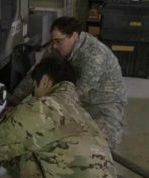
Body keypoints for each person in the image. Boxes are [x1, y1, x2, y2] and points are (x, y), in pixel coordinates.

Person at [0, 55, 122, 178]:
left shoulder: (41, 108)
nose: (34, 95)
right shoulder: (83, 115)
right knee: (26, 155)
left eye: (35, 89)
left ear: (44, 81)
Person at [10, 16, 127, 149]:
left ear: (74, 36)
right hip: (78, 100)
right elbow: (37, 74)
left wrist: (45, 109)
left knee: (98, 145)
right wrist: (14, 101)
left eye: (58, 41)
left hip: (103, 103)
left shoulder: (94, 56)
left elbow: (77, 93)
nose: (54, 45)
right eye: (53, 41)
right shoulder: (58, 47)